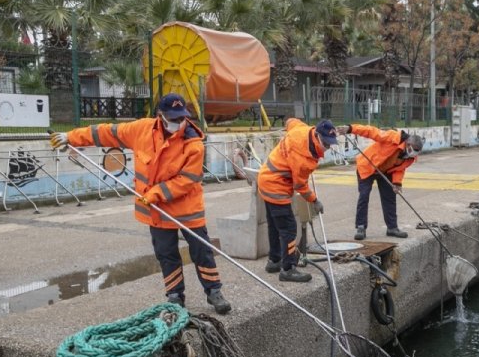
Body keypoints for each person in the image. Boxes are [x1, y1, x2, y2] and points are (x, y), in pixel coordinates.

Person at [50, 93, 231, 315]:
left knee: (202, 251)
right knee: (166, 253)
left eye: (181, 118)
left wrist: (155, 193)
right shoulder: (141, 130)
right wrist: (70, 137)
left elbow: (187, 180)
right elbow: (106, 133)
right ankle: (175, 295)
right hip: (157, 210)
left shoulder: (193, 144)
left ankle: (214, 291)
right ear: (160, 115)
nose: (178, 123)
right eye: (173, 118)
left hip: (186, 208)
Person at [257, 118, 338, 282]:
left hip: (265, 179)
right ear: (316, 135)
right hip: (276, 186)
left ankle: (274, 261)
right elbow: (300, 186)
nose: (328, 147)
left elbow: (291, 122)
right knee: (289, 229)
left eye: (330, 143)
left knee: (274, 224)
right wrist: (315, 200)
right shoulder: (303, 159)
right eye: (326, 143)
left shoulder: (302, 129)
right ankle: (288, 269)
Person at [344, 124, 423, 241]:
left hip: (386, 171)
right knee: (364, 195)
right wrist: (351, 129)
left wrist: (397, 183)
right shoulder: (393, 137)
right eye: (414, 150)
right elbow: (371, 131)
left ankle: (392, 228)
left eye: (417, 152)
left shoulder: (410, 157)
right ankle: (361, 227)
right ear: (408, 144)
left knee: (390, 197)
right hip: (368, 166)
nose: (414, 154)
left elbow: (399, 169)